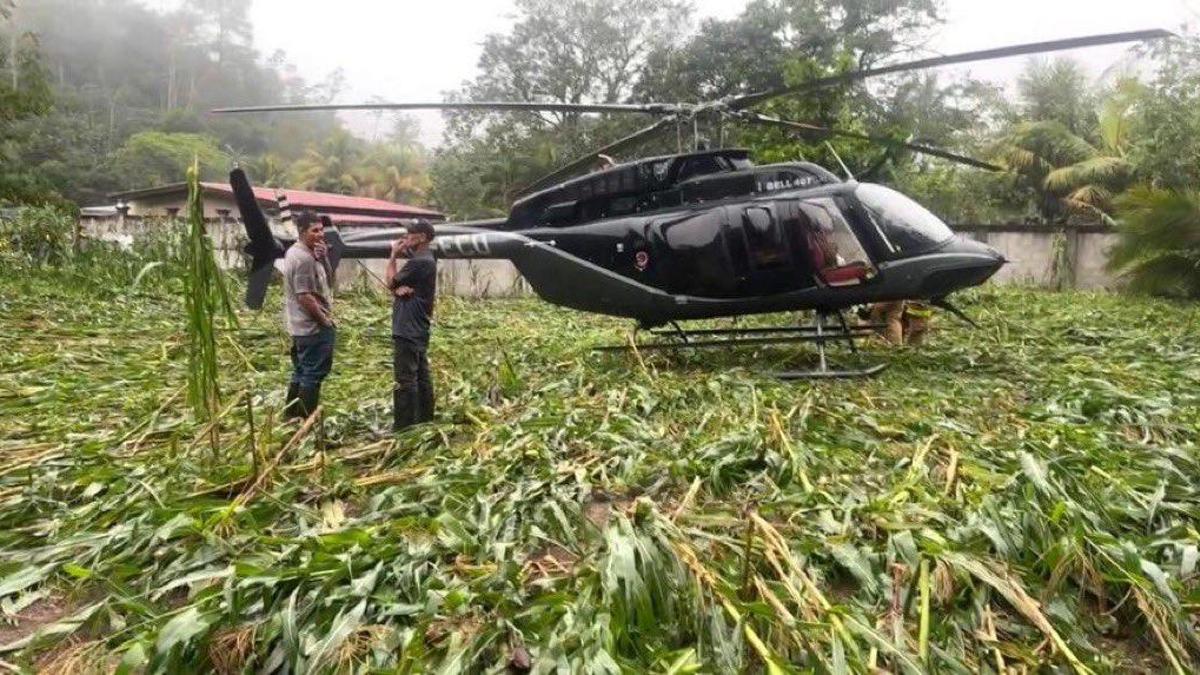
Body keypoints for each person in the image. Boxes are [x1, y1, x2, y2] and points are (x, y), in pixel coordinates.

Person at [282, 212, 336, 419]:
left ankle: (290, 417)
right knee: (313, 375)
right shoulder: (303, 258)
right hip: (311, 327)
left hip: (299, 327)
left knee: (301, 372)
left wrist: (324, 259)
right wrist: (324, 322)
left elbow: (327, 283)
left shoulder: (300, 253)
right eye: (315, 231)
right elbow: (304, 296)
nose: (320, 235)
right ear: (302, 232)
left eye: (322, 230)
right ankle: (305, 420)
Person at [386, 219, 438, 431]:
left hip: (407, 328)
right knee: (421, 375)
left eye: (410, 234)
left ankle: (404, 427)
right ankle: (424, 420)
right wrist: (397, 288)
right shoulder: (426, 259)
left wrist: (392, 255)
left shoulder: (419, 263)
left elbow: (390, 281)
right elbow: (397, 286)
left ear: (423, 237)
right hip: (419, 326)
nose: (405, 237)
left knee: (406, 380)